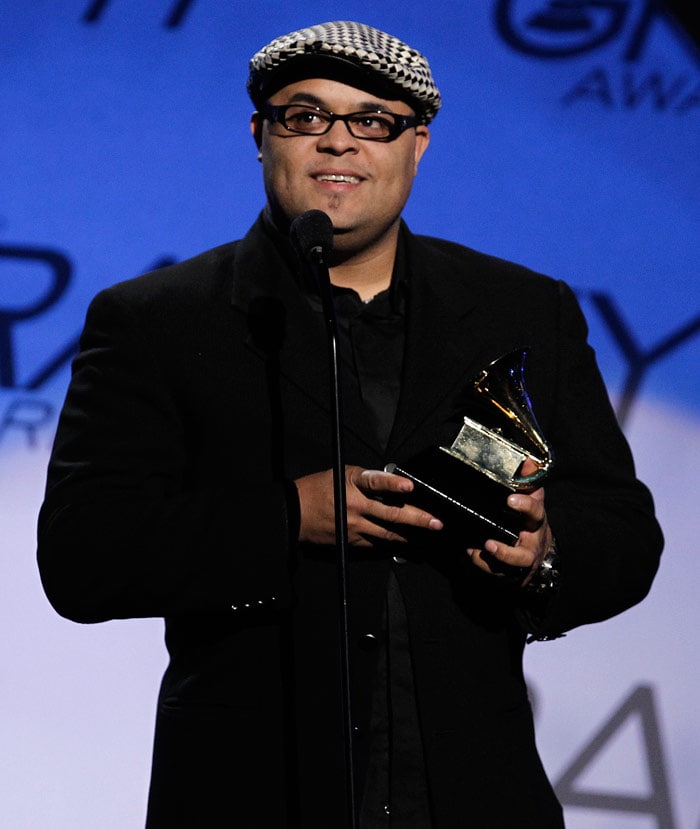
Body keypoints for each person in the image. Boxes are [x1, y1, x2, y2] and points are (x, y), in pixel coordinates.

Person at [37, 20, 663, 829]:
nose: (339, 143)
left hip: (474, 795)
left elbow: (623, 532)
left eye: (373, 120)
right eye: (306, 117)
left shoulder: (521, 308)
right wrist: (292, 515)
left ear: (417, 145)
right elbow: (84, 557)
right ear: (260, 136)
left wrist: (542, 552)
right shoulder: (157, 321)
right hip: (249, 796)